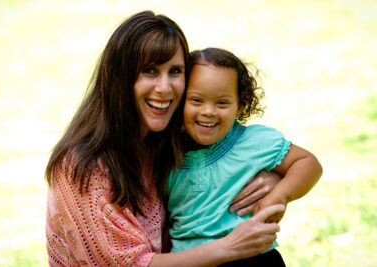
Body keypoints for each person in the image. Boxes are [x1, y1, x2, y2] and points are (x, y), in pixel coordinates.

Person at [45, 11, 285, 267]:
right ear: (120, 77)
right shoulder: (81, 167)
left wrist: (269, 181)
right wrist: (229, 247)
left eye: (175, 71)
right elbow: (132, 264)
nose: (164, 87)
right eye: (149, 70)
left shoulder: (166, 142)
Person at [167, 48, 323, 266]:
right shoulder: (163, 152)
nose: (208, 111)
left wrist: (279, 196)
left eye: (222, 102)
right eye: (196, 100)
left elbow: (308, 164)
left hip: (253, 257)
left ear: (240, 105)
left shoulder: (253, 142)